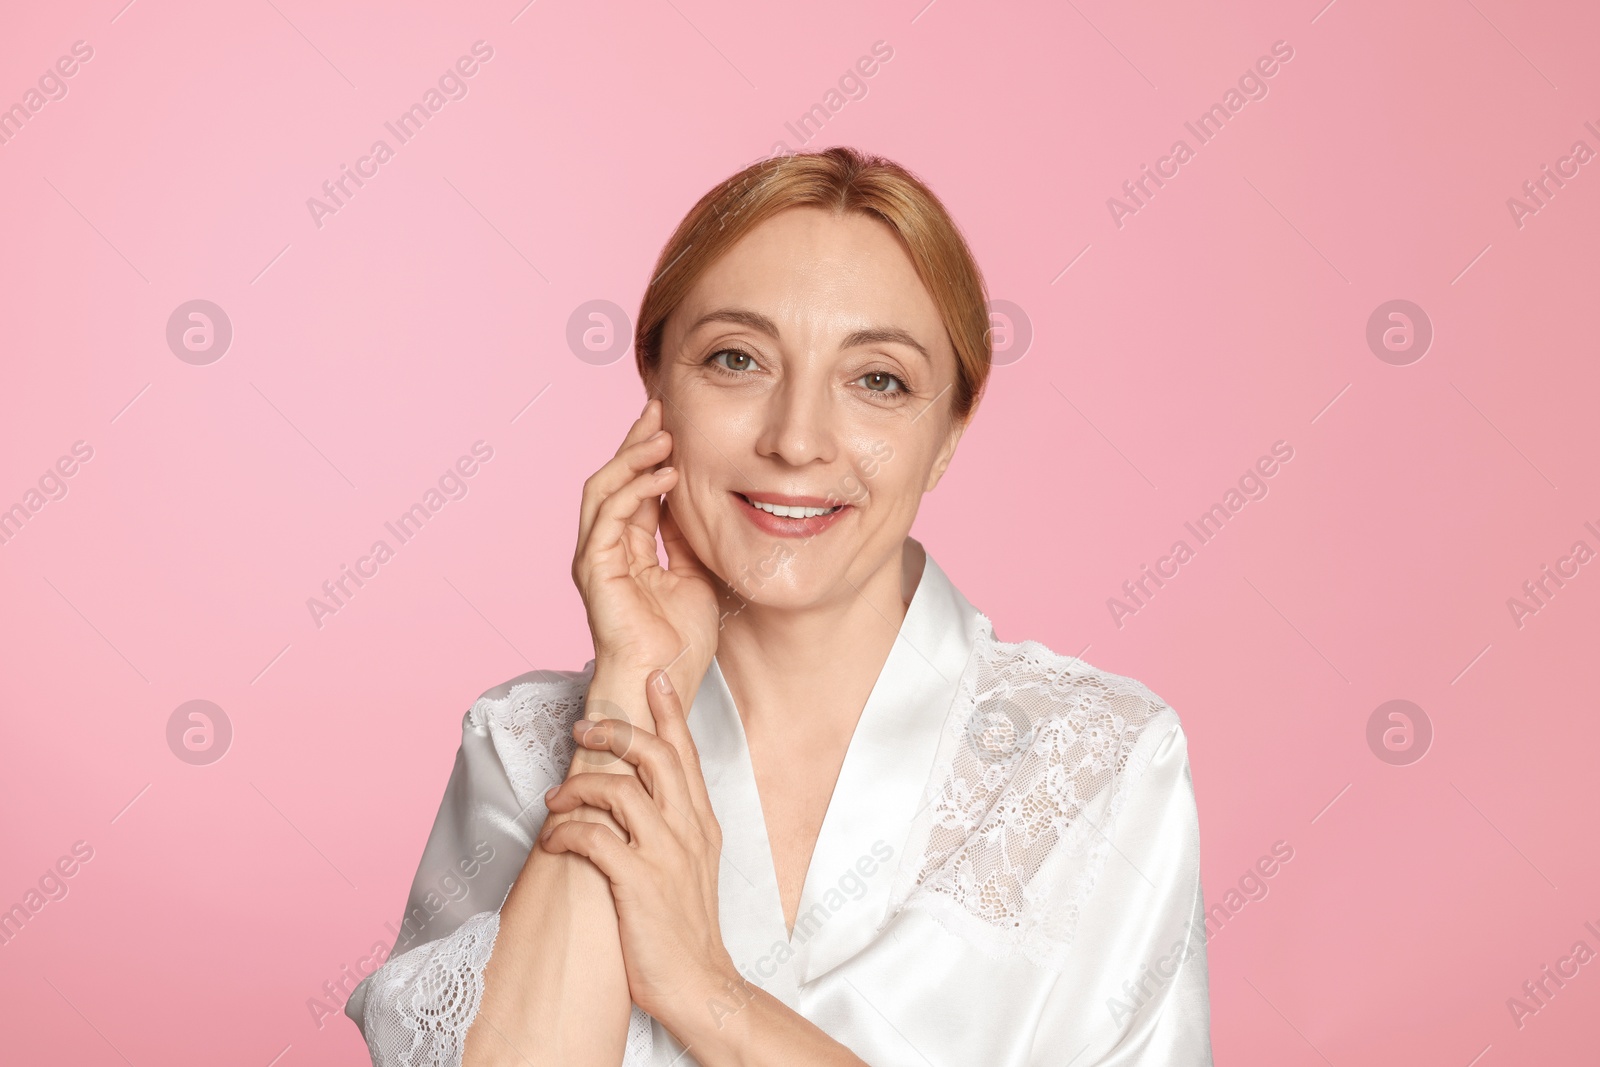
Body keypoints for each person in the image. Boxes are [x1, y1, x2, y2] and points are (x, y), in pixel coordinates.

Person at [344, 146, 1212, 1065]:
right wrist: (633, 689)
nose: (797, 439)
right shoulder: (526, 748)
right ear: (656, 392)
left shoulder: (1102, 763)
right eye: (736, 359)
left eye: (878, 379)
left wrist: (705, 990)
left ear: (950, 432)